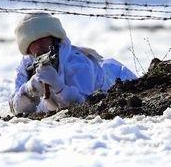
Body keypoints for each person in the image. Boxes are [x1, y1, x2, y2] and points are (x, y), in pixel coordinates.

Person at [9, 12, 137, 115]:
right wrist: (29, 90)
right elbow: (15, 107)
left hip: (118, 80)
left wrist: (59, 87)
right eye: (32, 42)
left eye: (43, 38)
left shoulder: (78, 63)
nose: (39, 45)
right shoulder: (26, 66)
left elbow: (83, 105)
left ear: (53, 38)